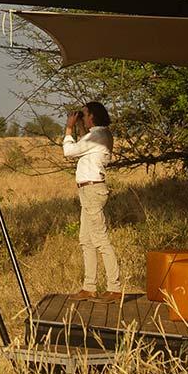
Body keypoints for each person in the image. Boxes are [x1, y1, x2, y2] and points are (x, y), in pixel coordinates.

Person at [64, 101, 122, 301]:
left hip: (91, 189)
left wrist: (69, 128)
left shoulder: (97, 135)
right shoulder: (100, 134)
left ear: (92, 116)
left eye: (85, 114)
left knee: (99, 239)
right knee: (86, 240)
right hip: (89, 190)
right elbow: (83, 146)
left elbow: (69, 152)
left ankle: (114, 287)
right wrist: (80, 126)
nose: (83, 117)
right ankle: (89, 286)